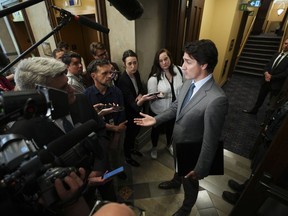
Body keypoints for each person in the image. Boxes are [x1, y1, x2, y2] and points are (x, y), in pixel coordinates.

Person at [134, 39, 228, 216]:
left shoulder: (217, 100)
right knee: (179, 168)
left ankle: (185, 209)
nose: (182, 66)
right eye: (183, 60)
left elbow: (210, 140)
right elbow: (176, 107)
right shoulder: (188, 82)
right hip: (179, 142)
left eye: (188, 62)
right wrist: (156, 120)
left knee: (190, 182)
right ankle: (175, 180)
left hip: (194, 150)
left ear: (204, 65)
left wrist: (200, 169)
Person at [11, 57, 117, 205]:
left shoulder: (81, 100)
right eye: (62, 89)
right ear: (38, 97)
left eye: (67, 83)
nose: (72, 89)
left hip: (103, 173)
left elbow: (101, 131)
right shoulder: (21, 134)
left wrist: (99, 167)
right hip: (71, 200)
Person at [84, 58, 128, 179]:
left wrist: (116, 136)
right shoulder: (86, 96)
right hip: (100, 135)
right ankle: (107, 176)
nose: (110, 76)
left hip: (118, 131)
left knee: (118, 155)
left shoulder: (117, 92)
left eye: (110, 72)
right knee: (104, 159)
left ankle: (119, 172)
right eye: (104, 73)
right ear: (94, 76)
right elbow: (90, 122)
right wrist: (113, 128)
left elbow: (121, 116)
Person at [117, 49, 156, 167]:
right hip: (129, 113)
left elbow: (141, 89)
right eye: (130, 63)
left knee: (136, 133)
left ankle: (132, 149)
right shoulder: (122, 80)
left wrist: (140, 95)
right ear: (124, 64)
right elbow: (132, 104)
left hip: (138, 111)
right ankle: (127, 157)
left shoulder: (136, 73)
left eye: (135, 62)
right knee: (129, 135)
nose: (133, 66)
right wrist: (142, 99)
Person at [147, 48, 184, 159]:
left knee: (171, 129)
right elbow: (150, 98)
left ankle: (169, 145)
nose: (164, 62)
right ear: (157, 63)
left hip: (174, 110)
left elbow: (186, 85)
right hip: (158, 111)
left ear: (170, 58)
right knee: (156, 131)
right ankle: (154, 147)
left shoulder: (179, 70)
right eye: (161, 61)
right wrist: (158, 95)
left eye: (166, 59)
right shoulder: (154, 79)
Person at [242, 38, 288, 114]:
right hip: (266, 81)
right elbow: (268, 65)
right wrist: (266, 73)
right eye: (285, 43)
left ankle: (266, 120)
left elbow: (285, 73)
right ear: (283, 44)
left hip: (275, 84)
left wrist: (271, 77)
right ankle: (254, 110)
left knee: (271, 103)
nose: (286, 45)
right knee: (260, 98)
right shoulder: (276, 54)